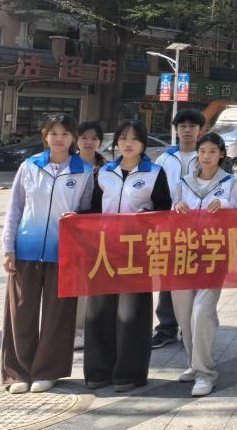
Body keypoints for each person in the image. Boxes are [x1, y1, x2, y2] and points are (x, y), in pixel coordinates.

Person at [1, 115, 93, 394]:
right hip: (26, 250)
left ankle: (48, 371)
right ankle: (18, 372)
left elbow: (87, 211)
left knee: (58, 315)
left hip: (64, 252)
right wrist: (8, 247)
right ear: (45, 135)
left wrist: (78, 220)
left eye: (65, 133)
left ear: (73, 137)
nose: (59, 139)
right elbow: (15, 208)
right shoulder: (30, 166)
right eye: (53, 133)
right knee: (21, 312)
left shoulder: (84, 171)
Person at [85, 120, 172, 391]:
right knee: (99, 311)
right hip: (105, 250)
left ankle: (129, 373)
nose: (128, 143)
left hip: (138, 252)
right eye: (123, 138)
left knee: (132, 313)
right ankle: (99, 372)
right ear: (116, 143)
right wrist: (75, 217)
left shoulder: (155, 173)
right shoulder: (104, 172)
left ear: (143, 143)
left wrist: (148, 217)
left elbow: (164, 209)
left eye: (134, 138)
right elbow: (94, 209)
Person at [170, 132, 237, 397]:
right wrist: (177, 208)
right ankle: (193, 362)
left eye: (212, 151)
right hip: (183, 253)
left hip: (214, 254)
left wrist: (225, 204)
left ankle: (205, 373)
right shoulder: (183, 183)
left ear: (221, 154)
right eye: (202, 151)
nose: (206, 156)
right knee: (184, 314)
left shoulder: (230, 182)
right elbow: (171, 214)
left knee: (202, 312)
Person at [152, 107, 206, 350]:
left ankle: (190, 327)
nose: (187, 130)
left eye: (192, 126)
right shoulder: (165, 158)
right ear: (175, 129)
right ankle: (166, 328)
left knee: (195, 275)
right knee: (168, 277)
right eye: (182, 126)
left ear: (200, 130)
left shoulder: (206, 154)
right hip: (169, 227)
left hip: (199, 228)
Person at [72, 121, 107, 352]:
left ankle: (93, 327)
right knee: (77, 280)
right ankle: (76, 329)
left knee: (96, 279)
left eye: (94, 138)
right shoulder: (68, 165)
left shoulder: (108, 168)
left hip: (102, 231)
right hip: (73, 229)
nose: (89, 142)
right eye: (84, 137)